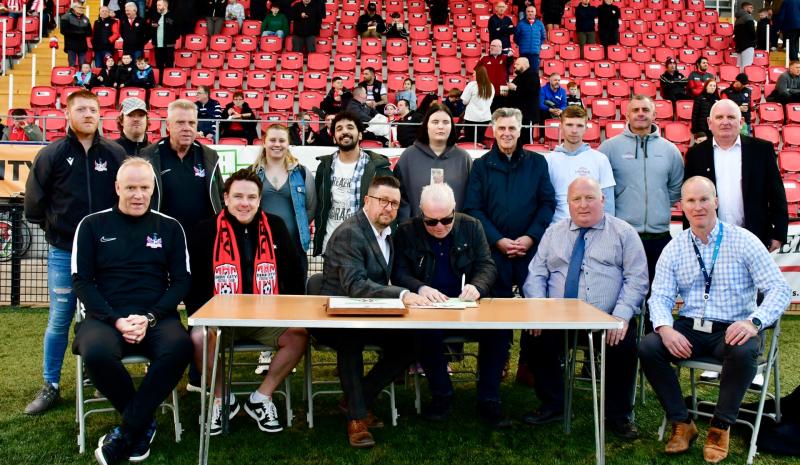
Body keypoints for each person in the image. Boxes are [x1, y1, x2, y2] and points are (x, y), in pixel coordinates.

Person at [639, 176, 790, 463]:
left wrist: (754, 322)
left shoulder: (744, 240)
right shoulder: (675, 247)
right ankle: (682, 423)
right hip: (689, 328)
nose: (698, 207)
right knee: (649, 346)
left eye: (704, 199)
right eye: (691, 201)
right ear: (681, 207)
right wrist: (665, 328)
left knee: (745, 350)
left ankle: (720, 427)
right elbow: (659, 296)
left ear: (716, 202)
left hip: (732, 327)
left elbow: (779, 289)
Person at [71, 157, 193, 465]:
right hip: (105, 315)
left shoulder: (170, 227)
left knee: (179, 347)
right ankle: (143, 423)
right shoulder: (91, 225)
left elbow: (182, 281)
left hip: (156, 315)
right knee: (96, 353)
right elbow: (81, 281)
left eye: (144, 188)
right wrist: (115, 319)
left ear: (153, 189)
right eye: (130, 188)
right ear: (117, 188)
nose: (138, 195)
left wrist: (150, 316)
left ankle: (127, 432)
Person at [23, 90, 126, 415]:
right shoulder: (51, 154)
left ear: (100, 114)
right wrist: (57, 231)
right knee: (59, 318)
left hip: (106, 255)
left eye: (93, 109)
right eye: (80, 109)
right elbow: (34, 205)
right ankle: (50, 385)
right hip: (63, 252)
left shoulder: (114, 153)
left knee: (103, 315)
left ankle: (99, 376)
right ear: (67, 114)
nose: (87, 114)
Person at [522, 177, 648, 438]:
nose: (583, 205)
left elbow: (637, 279)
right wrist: (537, 310)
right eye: (576, 199)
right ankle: (553, 403)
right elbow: (536, 274)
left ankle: (618, 415)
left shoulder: (624, 233)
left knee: (623, 346)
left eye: (589, 198)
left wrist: (622, 316)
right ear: (567, 204)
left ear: (602, 200)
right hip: (557, 317)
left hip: (607, 317)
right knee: (533, 338)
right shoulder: (553, 233)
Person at [187, 168, 307, 435]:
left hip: (266, 320)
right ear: (226, 198)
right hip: (221, 321)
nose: (245, 203)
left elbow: (293, 274)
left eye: (252, 197)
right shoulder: (205, 230)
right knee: (197, 338)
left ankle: (260, 399)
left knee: (299, 335)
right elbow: (192, 283)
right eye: (238, 196)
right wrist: (204, 317)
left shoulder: (275, 226)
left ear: (259, 199)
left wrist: (288, 312)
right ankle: (222, 399)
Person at [314, 176, 430, 448]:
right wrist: (402, 294)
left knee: (413, 342)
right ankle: (356, 419)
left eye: (395, 204)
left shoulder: (389, 234)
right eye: (383, 201)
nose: (389, 208)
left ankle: (357, 398)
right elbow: (355, 285)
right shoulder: (350, 233)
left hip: (368, 313)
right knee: (350, 341)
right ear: (367, 201)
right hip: (333, 317)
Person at [393, 183, 511, 427]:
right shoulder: (406, 232)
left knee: (498, 331)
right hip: (428, 308)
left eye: (446, 220)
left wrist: (477, 286)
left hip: (465, 306)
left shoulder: (471, 226)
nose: (439, 227)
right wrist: (420, 287)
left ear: (455, 210)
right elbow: (399, 272)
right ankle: (441, 395)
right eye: (431, 221)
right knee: (424, 333)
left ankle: (489, 398)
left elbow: (487, 265)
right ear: (421, 213)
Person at [464, 108, 555, 387]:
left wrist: (530, 237)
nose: (506, 133)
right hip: (494, 252)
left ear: (520, 129)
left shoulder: (537, 163)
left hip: (530, 250)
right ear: (493, 129)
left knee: (533, 308)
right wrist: (498, 240)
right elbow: (473, 208)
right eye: (501, 128)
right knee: (495, 311)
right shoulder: (481, 165)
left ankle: (528, 364)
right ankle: (495, 362)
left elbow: (547, 204)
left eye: (512, 128)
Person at [598, 95, 684, 325]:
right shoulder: (610, 148)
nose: (641, 113)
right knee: (621, 295)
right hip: (623, 237)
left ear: (654, 114)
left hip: (658, 237)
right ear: (627, 114)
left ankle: (652, 345)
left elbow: (675, 188)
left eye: (646, 109)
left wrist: (658, 204)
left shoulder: (670, 150)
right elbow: (602, 190)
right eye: (635, 109)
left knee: (657, 295)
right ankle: (621, 345)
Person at [684, 99, 788, 253]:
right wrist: (690, 236)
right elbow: (689, 198)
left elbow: (777, 195)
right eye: (719, 117)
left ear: (741, 122)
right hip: (708, 240)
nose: (725, 122)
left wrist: (778, 234)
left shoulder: (762, 150)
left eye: (731, 117)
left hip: (753, 238)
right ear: (709, 122)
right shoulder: (695, 154)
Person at [312, 111, 394, 256]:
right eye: (339, 129)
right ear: (334, 138)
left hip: (365, 248)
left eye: (350, 127)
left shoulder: (378, 167)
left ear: (360, 134)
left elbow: (391, 206)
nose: (345, 131)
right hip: (332, 246)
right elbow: (320, 205)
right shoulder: (324, 167)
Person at [252, 124, 316, 272]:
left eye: (282, 140)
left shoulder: (302, 173)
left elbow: (311, 207)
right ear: (264, 142)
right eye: (272, 140)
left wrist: (297, 226)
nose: (277, 144)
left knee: (295, 293)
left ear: (288, 144)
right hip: (260, 248)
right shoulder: (252, 174)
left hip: (294, 247)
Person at [394, 103, 472, 220]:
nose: (440, 126)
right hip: (416, 233)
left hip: (455, 232)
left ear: (452, 126)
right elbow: (398, 196)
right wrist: (407, 224)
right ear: (426, 125)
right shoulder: (408, 157)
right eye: (435, 122)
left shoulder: (463, 158)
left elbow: (472, 199)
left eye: (446, 122)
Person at [547, 105, 615, 222]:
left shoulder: (600, 159)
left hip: (592, 230)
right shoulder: (548, 160)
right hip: (557, 229)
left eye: (579, 126)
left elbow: (608, 202)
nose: (574, 130)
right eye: (569, 125)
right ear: (561, 127)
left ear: (586, 128)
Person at [506, 57, 540, 144]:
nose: (515, 66)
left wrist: (515, 88)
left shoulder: (532, 75)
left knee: (527, 140)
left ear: (524, 65)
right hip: (519, 114)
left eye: (517, 64)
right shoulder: (520, 76)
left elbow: (531, 92)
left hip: (527, 114)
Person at [460, 65, 495, 144]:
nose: (473, 75)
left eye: (474, 73)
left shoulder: (472, 85)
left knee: (469, 141)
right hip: (485, 118)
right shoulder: (491, 86)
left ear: (479, 75)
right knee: (479, 140)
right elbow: (490, 102)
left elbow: (464, 101)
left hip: (471, 117)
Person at [478, 40, 513, 110]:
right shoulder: (484, 59)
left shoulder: (505, 58)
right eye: (495, 46)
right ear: (490, 47)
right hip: (488, 89)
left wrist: (510, 56)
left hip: (503, 89)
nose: (498, 48)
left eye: (500, 46)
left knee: (502, 111)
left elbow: (510, 62)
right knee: (489, 111)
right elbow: (477, 72)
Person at [149, 0, 177, 84]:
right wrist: (152, 27)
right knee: (159, 66)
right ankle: (160, 83)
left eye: (159, 5)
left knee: (169, 66)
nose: (157, 7)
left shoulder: (172, 15)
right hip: (157, 45)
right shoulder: (154, 15)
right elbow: (150, 29)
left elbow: (177, 29)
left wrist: (171, 39)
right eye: (157, 5)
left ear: (165, 6)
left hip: (168, 46)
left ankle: (169, 83)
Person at [514, 5, 547, 74]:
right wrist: (522, 44)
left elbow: (543, 37)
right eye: (528, 11)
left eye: (532, 11)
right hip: (523, 53)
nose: (530, 13)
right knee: (522, 74)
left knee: (534, 74)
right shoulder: (520, 24)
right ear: (526, 13)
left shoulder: (540, 24)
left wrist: (537, 45)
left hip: (535, 54)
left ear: (535, 13)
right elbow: (516, 38)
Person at [61, 2, 92, 67]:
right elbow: (64, 31)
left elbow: (89, 32)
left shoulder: (86, 18)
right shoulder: (66, 17)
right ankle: (72, 77)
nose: (82, 9)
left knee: (83, 65)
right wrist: (80, 32)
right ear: (74, 8)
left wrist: (77, 32)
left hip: (82, 46)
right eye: (80, 7)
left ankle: (82, 77)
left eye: (82, 8)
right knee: (72, 65)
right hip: (71, 45)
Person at [734, 2, 756, 72]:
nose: (753, 9)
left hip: (739, 46)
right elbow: (752, 31)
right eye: (751, 7)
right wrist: (755, 41)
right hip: (748, 45)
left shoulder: (737, 19)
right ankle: (744, 82)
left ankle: (739, 81)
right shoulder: (748, 17)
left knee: (739, 67)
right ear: (745, 8)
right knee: (747, 67)